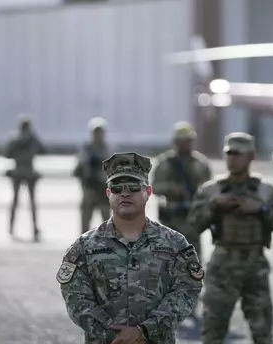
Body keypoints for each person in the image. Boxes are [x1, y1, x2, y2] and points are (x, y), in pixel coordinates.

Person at [57, 152, 204, 344]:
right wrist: (114, 336)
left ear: (148, 193)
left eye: (134, 187)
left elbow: (186, 290)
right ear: (109, 194)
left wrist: (145, 331)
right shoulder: (83, 247)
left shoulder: (175, 244)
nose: (125, 193)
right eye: (117, 188)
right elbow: (76, 299)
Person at [188, 132, 273, 344]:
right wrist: (214, 207)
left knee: (263, 333)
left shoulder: (266, 191)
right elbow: (194, 225)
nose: (232, 159)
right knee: (212, 332)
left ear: (251, 156)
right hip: (222, 266)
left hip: (255, 267)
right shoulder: (211, 191)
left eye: (238, 154)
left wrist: (260, 209)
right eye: (229, 153)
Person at [151, 121, 212, 260]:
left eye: (188, 141)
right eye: (182, 141)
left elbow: (209, 190)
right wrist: (172, 189)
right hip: (170, 219)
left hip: (192, 219)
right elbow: (154, 187)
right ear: (175, 142)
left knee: (193, 261)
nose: (185, 144)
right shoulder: (165, 162)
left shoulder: (201, 164)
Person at [4, 114, 46, 241]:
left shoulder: (16, 139)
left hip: (20, 171)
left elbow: (7, 153)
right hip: (26, 170)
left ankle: (14, 227)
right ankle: (33, 228)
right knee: (29, 202)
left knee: (18, 201)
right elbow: (43, 150)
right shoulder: (28, 139)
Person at [73, 117, 112, 233]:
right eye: (96, 132)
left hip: (103, 190)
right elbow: (78, 170)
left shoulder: (108, 150)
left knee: (107, 224)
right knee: (85, 224)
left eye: (100, 132)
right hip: (89, 189)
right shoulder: (85, 150)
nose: (98, 135)